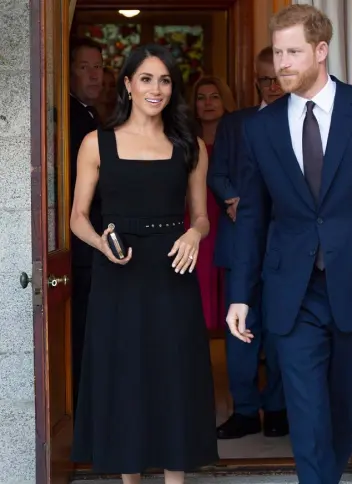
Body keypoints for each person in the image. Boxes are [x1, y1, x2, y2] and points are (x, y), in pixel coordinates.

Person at [226, 5, 352, 484]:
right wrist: (240, 293)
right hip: (293, 294)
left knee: (346, 408)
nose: (283, 64)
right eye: (278, 53)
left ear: (321, 51)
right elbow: (252, 217)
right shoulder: (260, 127)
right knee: (307, 413)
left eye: (293, 51)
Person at [70, 44, 218, 484]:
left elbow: (202, 217)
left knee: (175, 378)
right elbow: (77, 218)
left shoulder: (189, 145)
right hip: (118, 275)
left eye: (165, 80)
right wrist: (101, 242)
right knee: (126, 380)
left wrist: (194, 233)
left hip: (173, 275)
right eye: (147, 79)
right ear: (128, 85)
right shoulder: (97, 143)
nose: (157, 89)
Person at [208, 47, 288, 440]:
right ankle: (243, 410)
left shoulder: (302, 121)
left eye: (279, 78)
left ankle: (276, 408)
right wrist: (232, 198)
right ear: (254, 81)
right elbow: (217, 172)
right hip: (240, 239)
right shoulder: (234, 124)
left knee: (279, 329)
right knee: (239, 330)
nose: (273, 86)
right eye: (265, 80)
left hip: (286, 245)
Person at [69, 36, 104, 410]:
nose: (94, 75)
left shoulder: (93, 114)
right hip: (81, 244)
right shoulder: (72, 117)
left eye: (98, 67)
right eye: (84, 67)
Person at [186, 76, 237, 331]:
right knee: (200, 278)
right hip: (194, 217)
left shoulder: (239, 137)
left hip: (227, 215)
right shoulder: (184, 141)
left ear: (225, 101)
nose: (207, 103)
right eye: (201, 98)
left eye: (214, 97)